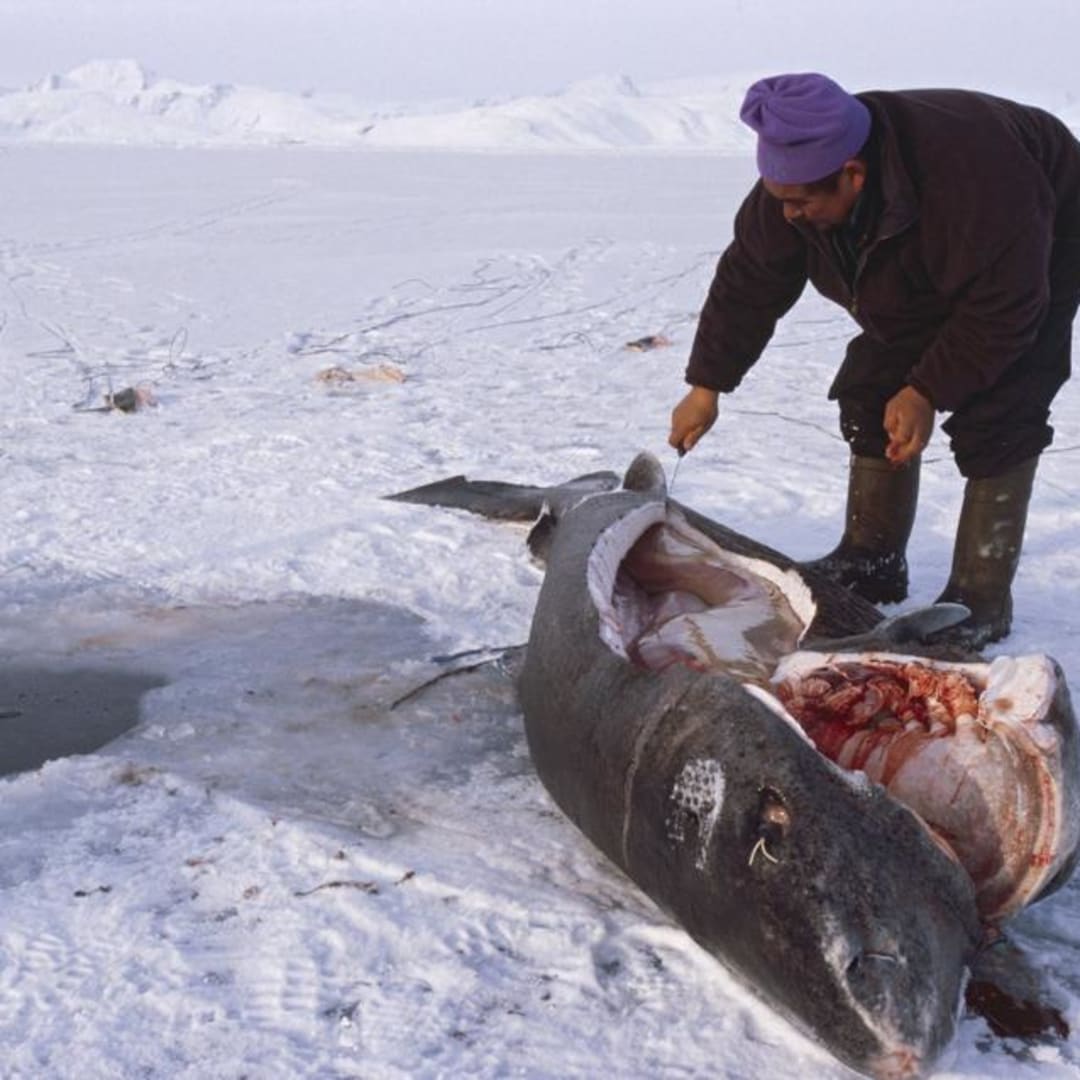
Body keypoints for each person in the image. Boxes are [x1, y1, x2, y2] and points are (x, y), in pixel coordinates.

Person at [669, 72, 1080, 647]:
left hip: (1045, 224)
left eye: (800, 202)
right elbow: (748, 283)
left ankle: (981, 598)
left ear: (853, 175)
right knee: (873, 385)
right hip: (925, 235)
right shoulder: (793, 194)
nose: (788, 214)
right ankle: (873, 560)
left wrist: (928, 390)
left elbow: (1005, 309)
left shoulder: (975, 183)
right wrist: (707, 385)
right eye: (780, 198)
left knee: (1002, 407)